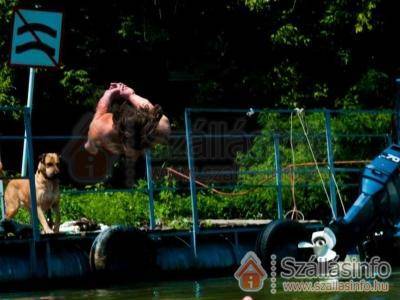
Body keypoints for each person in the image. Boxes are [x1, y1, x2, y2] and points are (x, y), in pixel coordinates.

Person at [84, 83, 170, 159]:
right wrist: (130, 94)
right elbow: (149, 109)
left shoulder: (101, 129)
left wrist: (109, 93)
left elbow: (100, 110)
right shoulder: (162, 126)